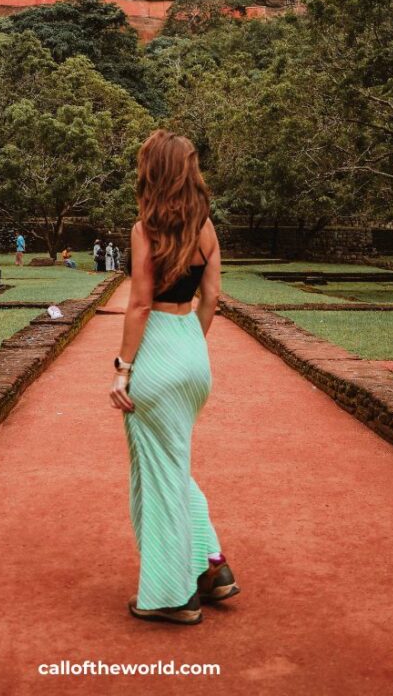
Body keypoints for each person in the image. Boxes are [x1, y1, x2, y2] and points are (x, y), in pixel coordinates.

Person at [109, 129, 239, 626]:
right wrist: (191, 345)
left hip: (158, 352)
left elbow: (140, 303)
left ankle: (171, 594)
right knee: (173, 466)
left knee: (160, 473)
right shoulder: (205, 226)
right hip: (191, 350)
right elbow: (212, 297)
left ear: (152, 172)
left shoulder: (145, 230)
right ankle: (212, 570)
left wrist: (123, 369)